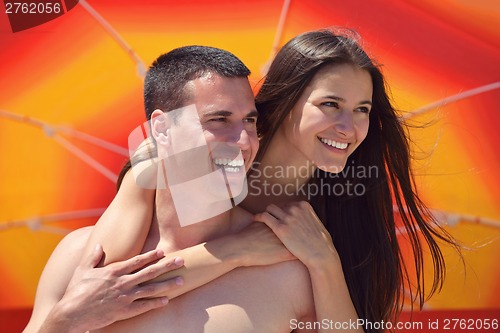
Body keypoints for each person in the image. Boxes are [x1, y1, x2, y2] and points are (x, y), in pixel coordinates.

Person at [27, 29, 460, 333]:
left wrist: (323, 260)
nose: (349, 126)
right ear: (289, 103)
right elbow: (107, 277)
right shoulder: (185, 154)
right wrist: (239, 249)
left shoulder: (340, 205)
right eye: (331, 104)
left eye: (363, 109)